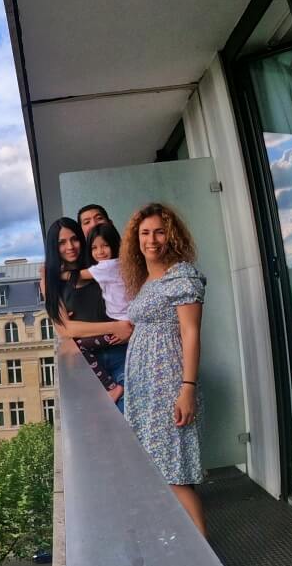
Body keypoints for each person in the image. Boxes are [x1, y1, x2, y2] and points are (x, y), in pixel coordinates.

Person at [121, 202, 207, 535]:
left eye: (159, 231)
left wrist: (187, 387)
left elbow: (191, 332)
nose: (151, 240)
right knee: (158, 468)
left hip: (168, 382)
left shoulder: (181, 274)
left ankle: (207, 563)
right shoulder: (147, 278)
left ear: (171, 235)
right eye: (144, 233)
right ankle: (181, 545)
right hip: (145, 388)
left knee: (175, 472)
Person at [44, 217, 132, 406]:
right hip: (87, 364)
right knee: (102, 429)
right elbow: (66, 330)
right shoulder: (50, 281)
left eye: (74, 239)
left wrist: (128, 327)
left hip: (121, 353)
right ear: (53, 247)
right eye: (62, 242)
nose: (70, 246)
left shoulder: (103, 266)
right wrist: (117, 326)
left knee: (129, 420)